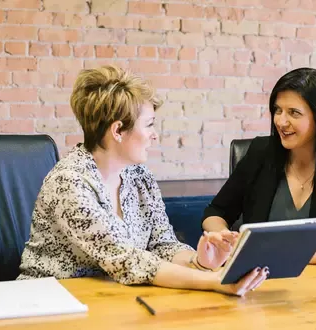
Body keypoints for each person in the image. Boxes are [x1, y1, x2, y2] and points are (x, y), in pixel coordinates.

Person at [17, 65, 268, 296]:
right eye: (149, 125)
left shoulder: (139, 176)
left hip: (113, 299)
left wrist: (200, 262)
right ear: (117, 131)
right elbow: (127, 260)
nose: (154, 135)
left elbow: (162, 244)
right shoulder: (70, 183)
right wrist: (215, 281)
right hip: (48, 302)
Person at [202, 68, 316, 267]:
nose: (281, 121)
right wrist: (222, 237)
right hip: (258, 281)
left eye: (294, 113)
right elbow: (216, 211)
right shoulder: (261, 153)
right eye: (278, 110)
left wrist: (275, 253)